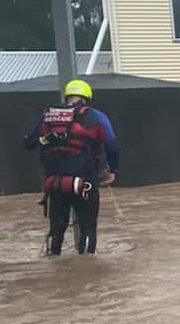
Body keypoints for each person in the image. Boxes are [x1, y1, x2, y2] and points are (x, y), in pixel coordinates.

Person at [23, 78, 118, 255]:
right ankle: (88, 263)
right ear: (87, 97)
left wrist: (47, 139)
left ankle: (54, 259)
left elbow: (29, 143)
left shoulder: (47, 116)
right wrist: (111, 170)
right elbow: (112, 144)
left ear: (67, 96)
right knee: (88, 225)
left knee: (56, 228)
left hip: (54, 182)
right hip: (85, 181)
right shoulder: (95, 116)